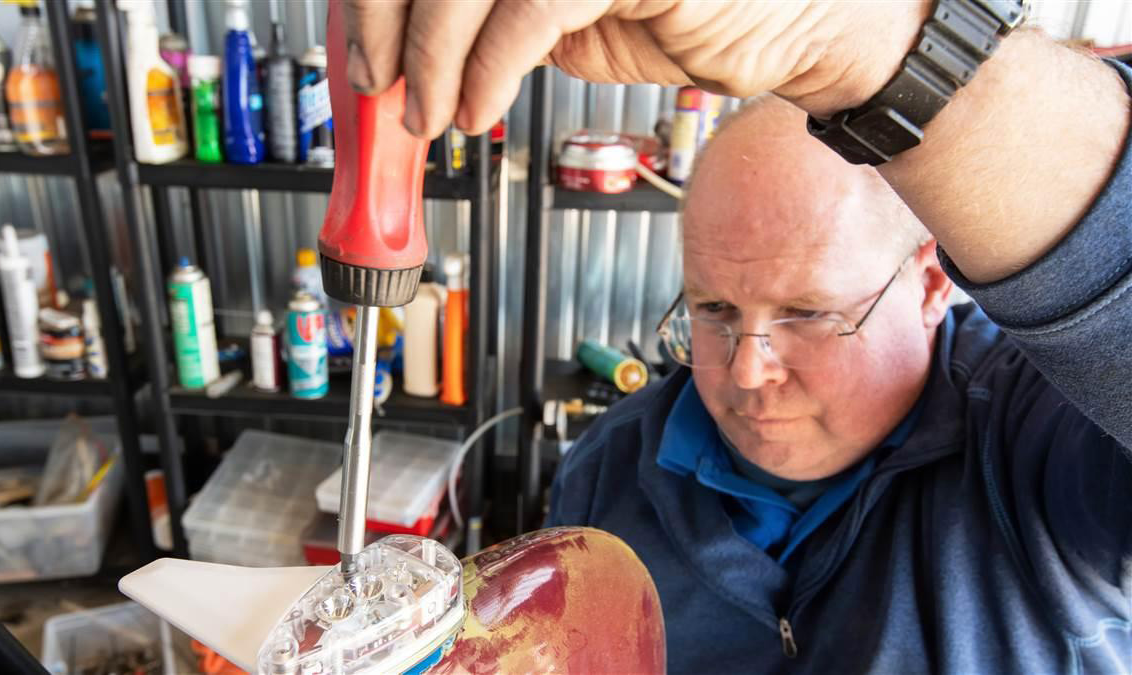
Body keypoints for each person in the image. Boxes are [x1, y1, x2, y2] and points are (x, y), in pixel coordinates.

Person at [337, 1, 1131, 671]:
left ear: (928, 283)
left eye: (810, 313)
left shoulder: (1054, 443)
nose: (746, 373)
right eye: (713, 310)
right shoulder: (609, 470)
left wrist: (876, 40)